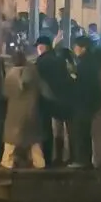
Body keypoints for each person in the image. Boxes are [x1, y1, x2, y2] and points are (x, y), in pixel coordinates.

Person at [1, 50, 45, 168]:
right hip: (31, 110)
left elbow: (5, 93)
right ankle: (39, 162)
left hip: (14, 111)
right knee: (33, 139)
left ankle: (7, 161)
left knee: (11, 140)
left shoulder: (10, 75)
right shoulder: (32, 73)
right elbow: (39, 89)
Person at [35, 34, 73, 165]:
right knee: (61, 130)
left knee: (49, 130)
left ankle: (50, 157)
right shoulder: (59, 60)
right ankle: (63, 156)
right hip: (63, 99)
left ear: (42, 47)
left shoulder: (41, 62)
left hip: (47, 101)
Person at [70, 36, 101, 167]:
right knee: (85, 132)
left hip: (83, 102)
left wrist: (72, 78)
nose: (74, 49)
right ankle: (86, 160)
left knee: (81, 132)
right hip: (90, 102)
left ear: (83, 48)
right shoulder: (91, 62)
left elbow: (82, 85)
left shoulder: (84, 64)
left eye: (76, 46)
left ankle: (82, 160)